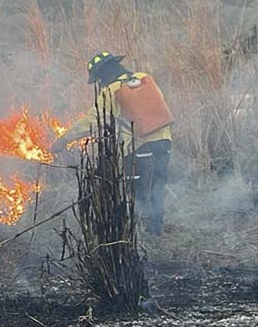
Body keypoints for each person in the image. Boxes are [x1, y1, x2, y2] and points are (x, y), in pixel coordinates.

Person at [57, 51, 173, 234]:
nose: (99, 83)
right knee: (157, 186)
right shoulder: (143, 78)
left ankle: (141, 234)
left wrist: (63, 139)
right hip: (163, 142)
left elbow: (92, 120)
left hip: (138, 147)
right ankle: (156, 230)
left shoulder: (111, 90)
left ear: (104, 73)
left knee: (138, 191)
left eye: (98, 79)